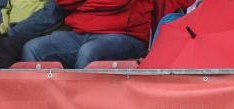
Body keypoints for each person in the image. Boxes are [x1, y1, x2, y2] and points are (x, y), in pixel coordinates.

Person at [21, 0, 193, 69]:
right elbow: (64, 1)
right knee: (33, 49)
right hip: (81, 31)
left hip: (126, 35)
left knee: (90, 52)